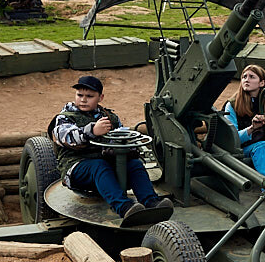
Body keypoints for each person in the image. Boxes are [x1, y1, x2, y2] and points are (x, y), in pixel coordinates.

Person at [49, 75, 172, 223]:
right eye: (79, 95)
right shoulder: (65, 118)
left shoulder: (109, 117)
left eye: (89, 96)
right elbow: (66, 137)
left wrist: (126, 148)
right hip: (76, 167)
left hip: (107, 164)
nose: (83, 99)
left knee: (134, 165)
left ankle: (151, 202)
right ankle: (124, 208)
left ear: (100, 97)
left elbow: (122, 136)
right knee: (99, 166)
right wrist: (92, 131)